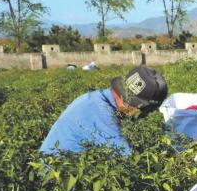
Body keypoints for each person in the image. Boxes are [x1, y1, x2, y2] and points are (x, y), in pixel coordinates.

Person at [39, 66, 168, 156]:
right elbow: (129, 159)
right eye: (143, 111)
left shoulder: (96, 98)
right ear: (131, 104)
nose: (143, 116)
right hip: (54, 177)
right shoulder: (100, 113)